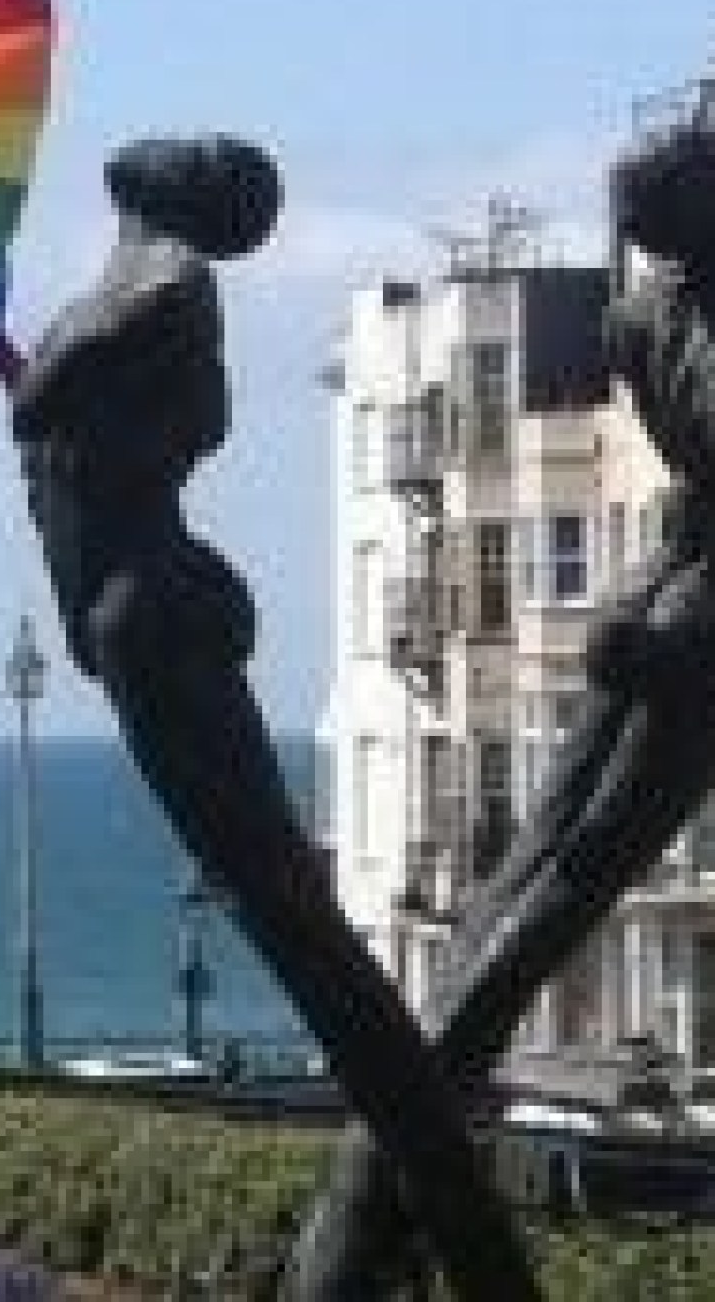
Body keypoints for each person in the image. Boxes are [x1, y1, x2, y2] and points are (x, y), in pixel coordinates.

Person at [12, 135, 539, 1301]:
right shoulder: (150, 287)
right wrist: (54, 382)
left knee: (291, 911)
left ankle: (450, 1226)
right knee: (287, 910)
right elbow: (60, 401)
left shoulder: (159, 281)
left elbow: (56, 397)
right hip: (140, 605)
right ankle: (456, 1228)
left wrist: (51, 379)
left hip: (148, 600)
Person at [293, 96, 715, 1299]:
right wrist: (647, 590)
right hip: (670, 601)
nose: (655, 236)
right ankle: (374, 1195)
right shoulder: (643, 323)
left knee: (566, 882)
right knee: (527, 879)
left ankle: (367, 1206)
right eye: (645, 221)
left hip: (695, 626)